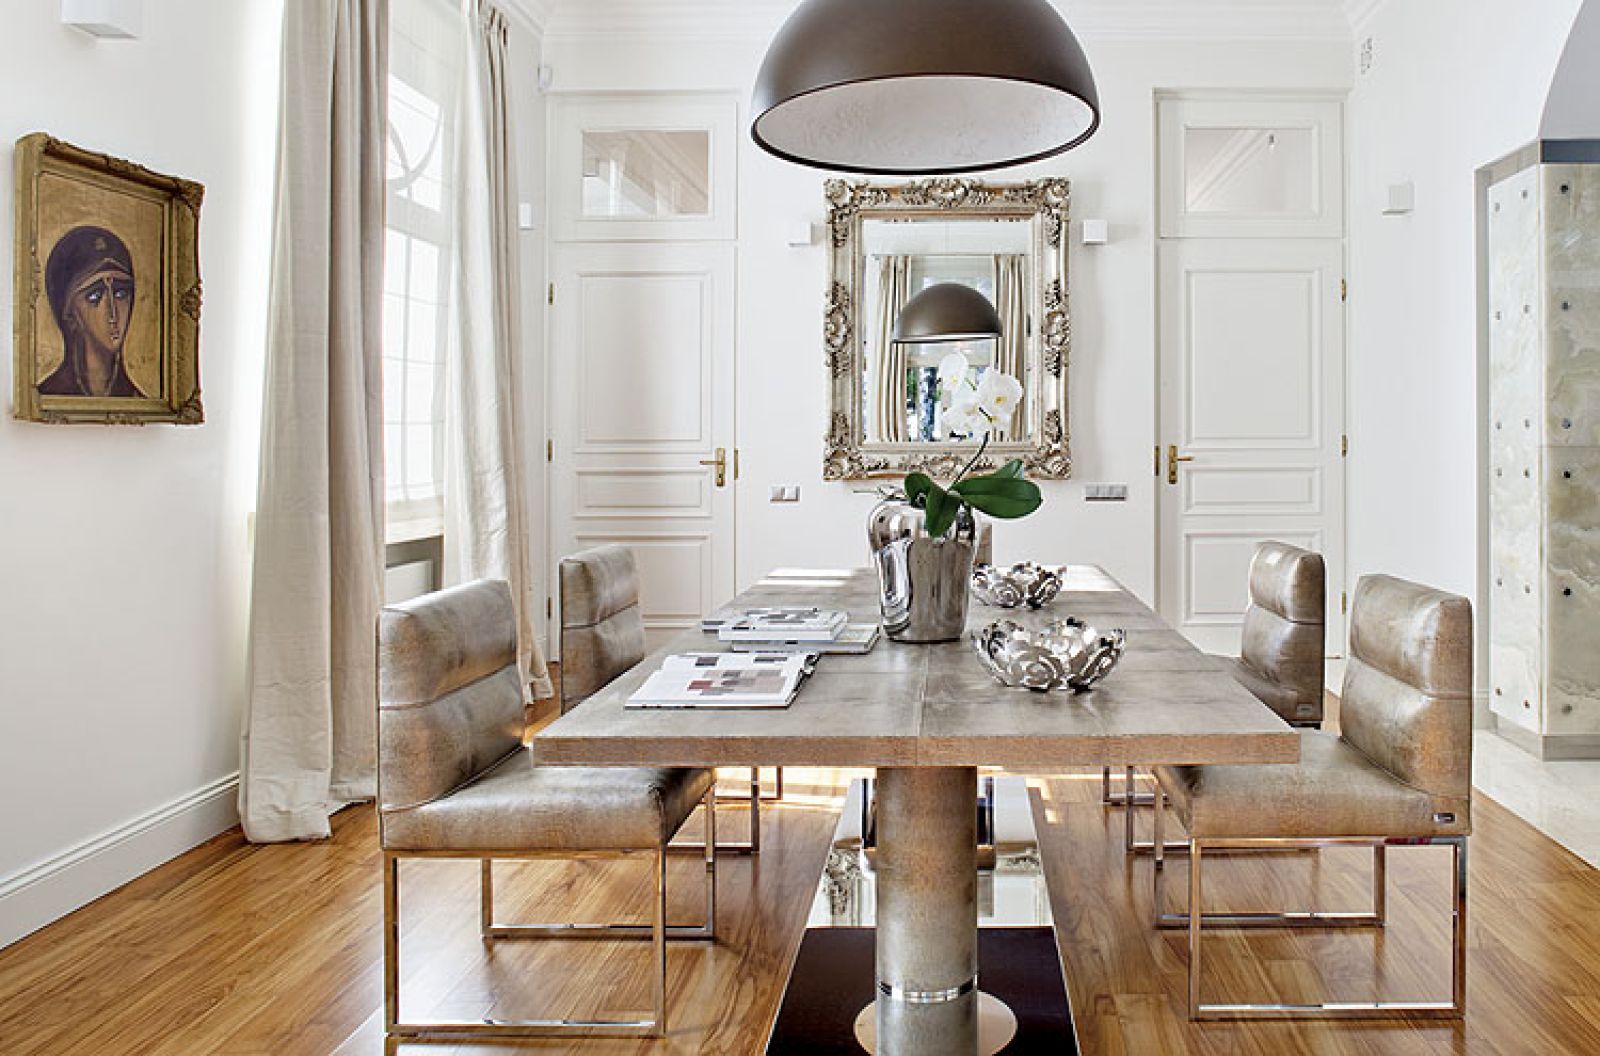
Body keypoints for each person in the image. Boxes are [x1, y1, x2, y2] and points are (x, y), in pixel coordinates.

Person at [38, 225, 147, 398]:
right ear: (69, 313)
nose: (113, 314)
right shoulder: (47, 396)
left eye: (120, 294)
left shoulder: (139, 401)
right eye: (94, 296)